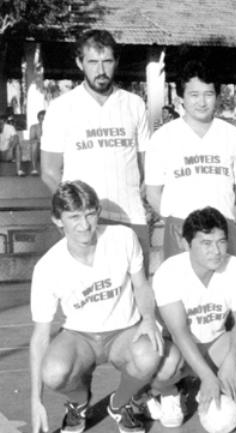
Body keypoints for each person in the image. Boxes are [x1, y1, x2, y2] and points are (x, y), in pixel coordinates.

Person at [28, 181, 163, 433]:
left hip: (123, 331)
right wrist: (36, 399)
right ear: (58, 220)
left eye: (90, 213)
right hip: (80, 337)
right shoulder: (48, 267)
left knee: (150, 354)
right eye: (74, 217)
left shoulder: (123, 238)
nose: (84, 224)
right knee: (53, 372)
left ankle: (120, 403)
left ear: (98, 211)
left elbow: (141, 285)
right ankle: (79, 401)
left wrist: (148, 319)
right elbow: (40, 337)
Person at [41, 29, 152, 270]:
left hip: (132, 217)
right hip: (86, 222)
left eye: (107, 61)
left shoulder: (134, 104)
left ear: (116, 62)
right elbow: (49, 171)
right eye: (92, 62)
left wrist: (143, 201)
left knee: (138, 292)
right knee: (93, 298)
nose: (100, 71)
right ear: (79, 62)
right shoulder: (61, 108)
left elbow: (147, 167)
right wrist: (77, 212)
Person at [148, 207, 236, 427]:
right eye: (206, 243)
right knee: (164, 367)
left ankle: (224, 389)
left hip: (215, 344)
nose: (216, 251)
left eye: (221, 242)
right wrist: (207, 376)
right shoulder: (169, 271)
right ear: (186, 244)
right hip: (178, 349)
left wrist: (231, 361)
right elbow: (179, 331)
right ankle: (171, 393)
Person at [146, 61, 236, 260]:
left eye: (208, 94)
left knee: (226, 289)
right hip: (180, 231)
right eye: (194, 95)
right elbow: (153, 193)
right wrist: (184, 227)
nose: (202, 102)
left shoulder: (233, 136)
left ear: (217, 96)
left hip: (222, 229)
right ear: (180, 97)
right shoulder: (163, 137)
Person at [16, 110, 45, 176]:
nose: (42, 120)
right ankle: (34, 169)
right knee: (33, 144)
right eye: (40, 118)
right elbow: (32, 140)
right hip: (38, 147)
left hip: (49, 148)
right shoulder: (34, 127)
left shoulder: (53, 128)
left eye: (44, 118)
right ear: (38, 119)